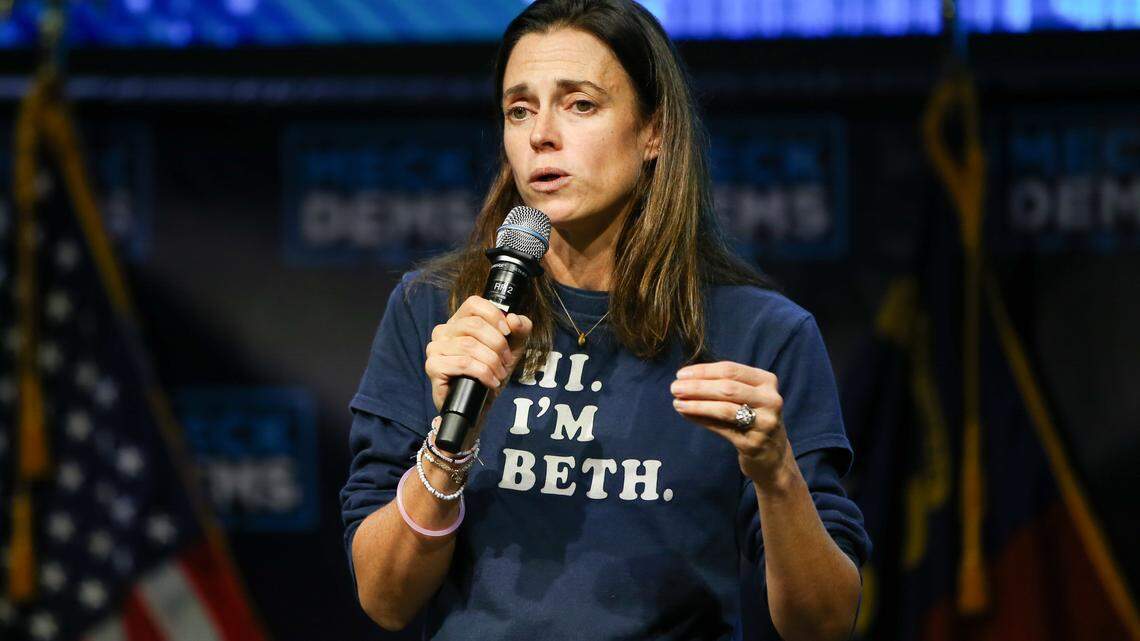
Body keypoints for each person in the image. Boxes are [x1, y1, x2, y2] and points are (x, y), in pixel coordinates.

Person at [340, 1, 870, 639]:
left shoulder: (761, 335)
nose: (541, 135)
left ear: (654, 132)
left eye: (580, 104)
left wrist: (777, 474)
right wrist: (450, 447)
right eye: (519, 109)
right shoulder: (440, 311)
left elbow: (825, 622)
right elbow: (384, 598)